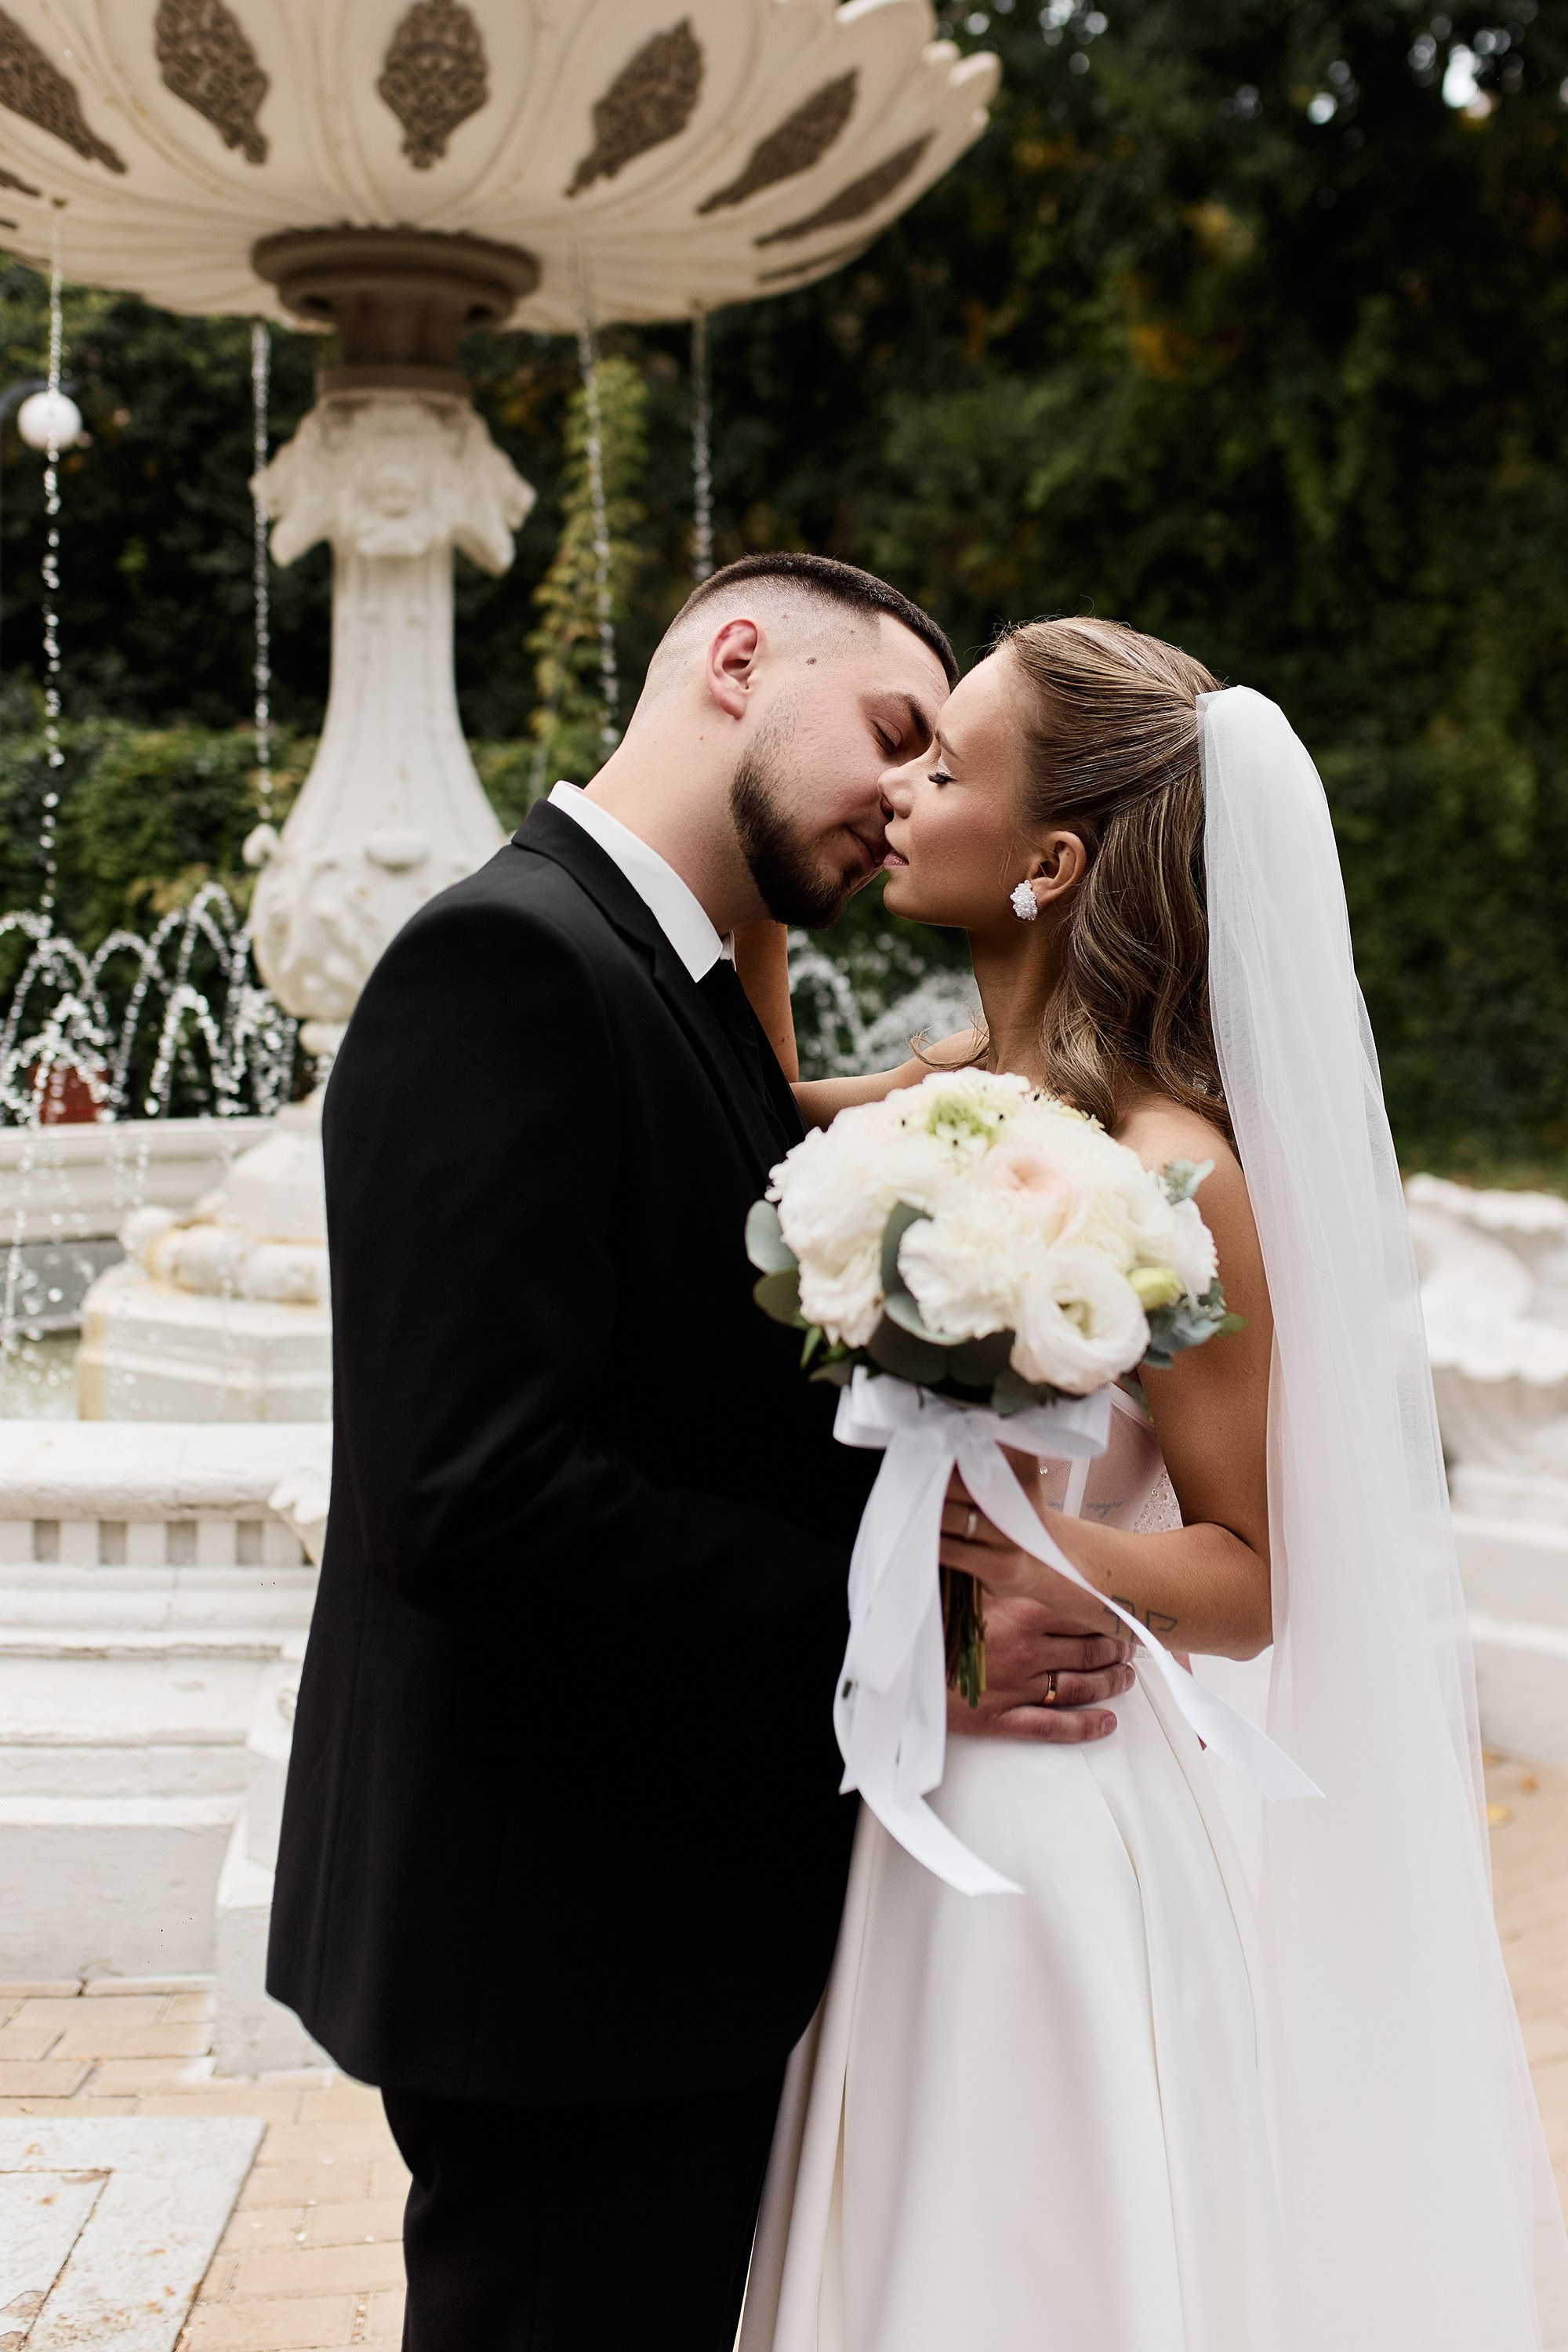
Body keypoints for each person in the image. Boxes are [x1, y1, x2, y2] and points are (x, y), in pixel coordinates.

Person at [265, 555, 1136, 2352]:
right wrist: (908, 1635)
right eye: (892, 732)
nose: (906, 796)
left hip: (648, 1936)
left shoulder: (679, 984)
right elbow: (474, 1496)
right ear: (736, 658)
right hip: (560, 1952)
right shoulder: (505, 962)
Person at [740, 618, 1568, 2351]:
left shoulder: (1173, 1164)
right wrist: (750, 879)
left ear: (1049, 864)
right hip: (908, 1769)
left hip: (1050, 1804)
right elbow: (736, 1118)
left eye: (945, 768)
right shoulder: (952, 1094)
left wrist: (1047, 1555)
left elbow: (1257, 1572)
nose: (901, 791)